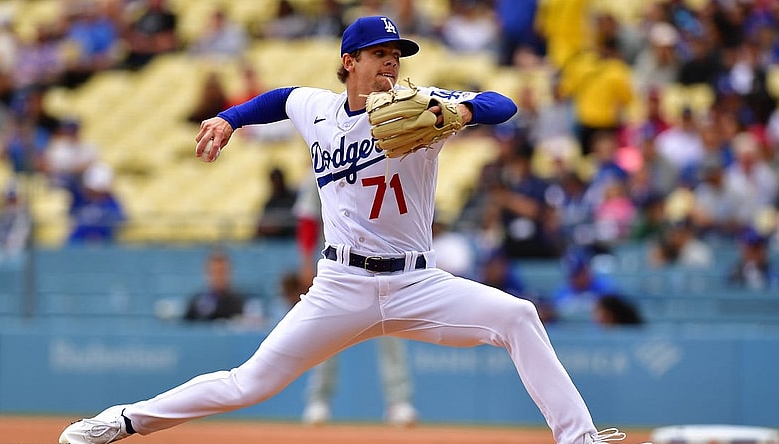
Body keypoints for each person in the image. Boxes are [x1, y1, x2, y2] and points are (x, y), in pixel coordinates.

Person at [59, 16, 640, 444]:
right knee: (248, 384)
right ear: (348, 63)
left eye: (396, 53)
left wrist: (460, 112)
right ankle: (124, 420)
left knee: (518, 316)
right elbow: (280, 98)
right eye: (378, 53)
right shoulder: (318, 108)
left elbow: (503, 103)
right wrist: (230, 117)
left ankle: (578, 438)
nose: (391, 62)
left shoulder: (423, 106)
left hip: (418, 283)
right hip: (341, 285)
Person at [291, 172, 418, 426]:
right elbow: (308, 220)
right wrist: (306, 261)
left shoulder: (385, 162)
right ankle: (319, 400)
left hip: (386, 265)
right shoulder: (326, 162)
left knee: (392, 333)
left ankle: (398, 402)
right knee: (325, 335)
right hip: (339, 268)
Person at [183, 249, 246, 322]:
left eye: (222, 271)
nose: (218, 276)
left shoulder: (240, 302)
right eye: (214, 272)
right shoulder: (196, 302)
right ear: (206, 273)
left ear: (230, 273)